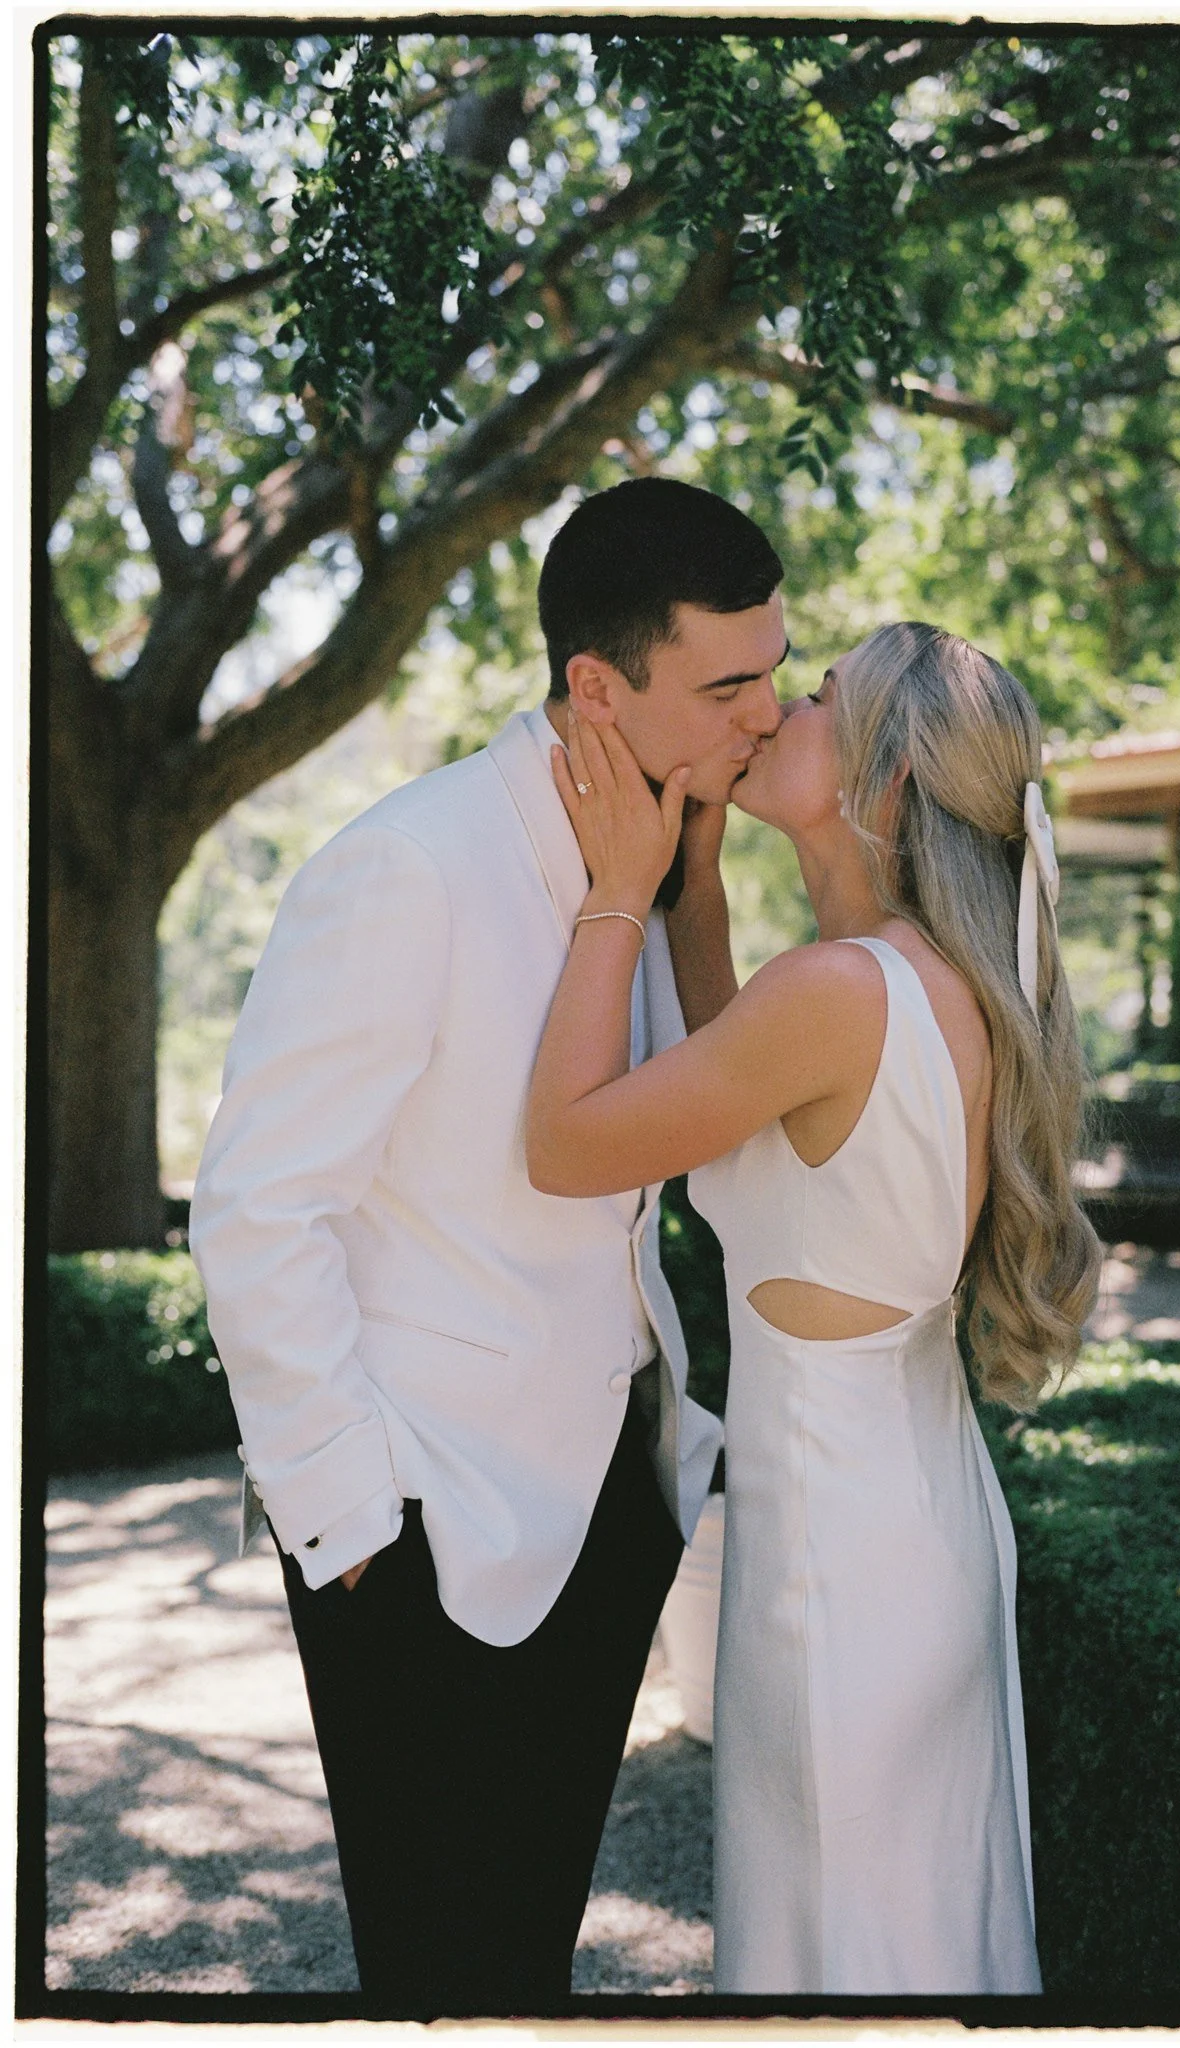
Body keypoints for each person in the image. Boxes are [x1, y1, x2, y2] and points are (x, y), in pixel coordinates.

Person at [188, 477, 789, 2015]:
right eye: (728, 685)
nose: (767, 716)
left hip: (611, 1505)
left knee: (527, 1962)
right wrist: (349, 1525)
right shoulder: (407, 867)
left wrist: (679, 889)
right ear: (598, 685)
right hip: (420, 1525)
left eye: (777, 670)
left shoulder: (651, 857)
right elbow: (260, 1212)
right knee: (440, 1975)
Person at [526, 620, 1103, 1996]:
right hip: (909, 1521)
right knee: (893, 1938)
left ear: (883, 780)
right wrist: (696, 899)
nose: (773, 706)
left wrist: (618, 891)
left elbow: (564, 1145)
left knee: (837, 1951)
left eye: (817, 698)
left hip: (835, 1564)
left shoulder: (837, 993)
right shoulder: (915, 982)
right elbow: (739, 1150)